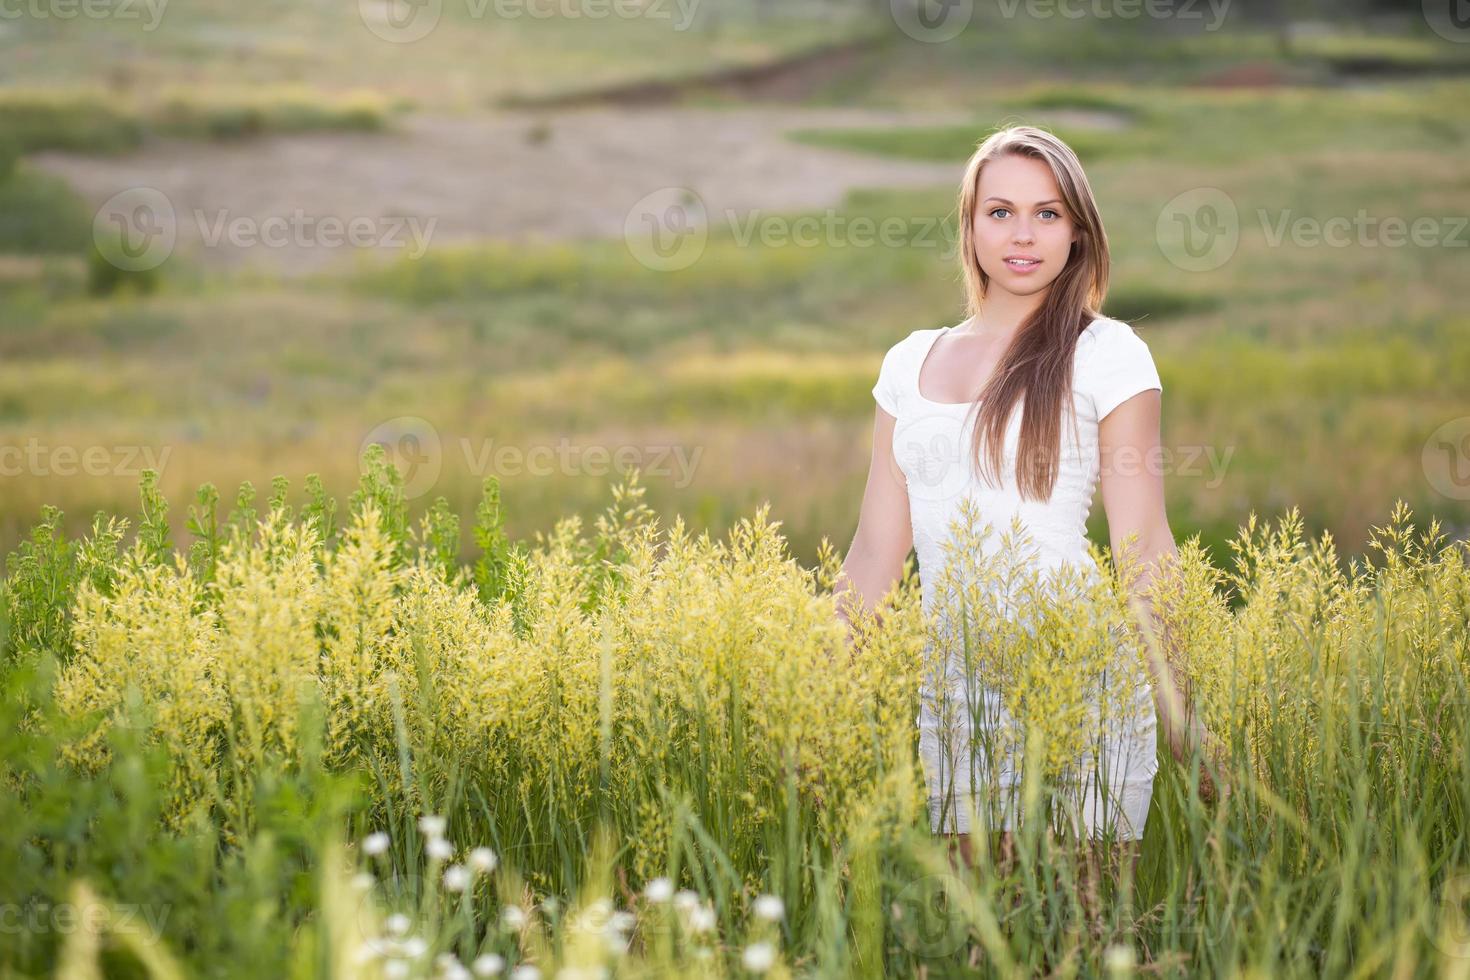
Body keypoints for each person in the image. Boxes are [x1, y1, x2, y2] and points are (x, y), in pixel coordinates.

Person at [833, 125, 1226, 874]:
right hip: (956, 695)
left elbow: (1142, 543)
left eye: (1048, 214)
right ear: (970, 225)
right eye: (1000, 211)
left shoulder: (1108, 353)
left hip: (1083, 679)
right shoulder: (907, 360)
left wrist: (1181, 712)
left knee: (1081, 935)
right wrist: (814, 685)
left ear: (1078, 232)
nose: (1023, 235)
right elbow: (876, 552)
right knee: (978, 940)